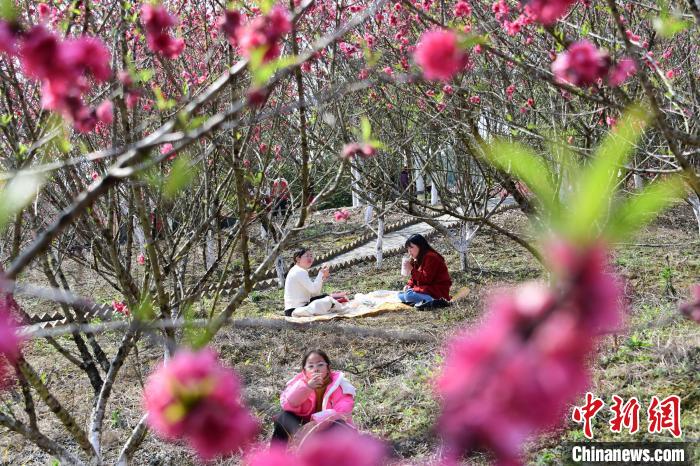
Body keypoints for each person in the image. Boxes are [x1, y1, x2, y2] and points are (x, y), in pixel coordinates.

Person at [272, 350, 355, 445]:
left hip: (327, 426)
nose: (316, 369)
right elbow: (288, 404)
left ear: (328, 368)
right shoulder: (298, 383)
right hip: (303, 427)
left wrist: (317, 421)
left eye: (320, 365)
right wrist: (307, 387)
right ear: (304, 371)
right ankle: (276, 455)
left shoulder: (339, 384)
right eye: (311, 366)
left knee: (338, 425)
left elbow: (343, 410)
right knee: (284, 417)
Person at [284, 248, 345, 317]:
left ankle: (335, 307)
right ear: (298, 259)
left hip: (301, 307)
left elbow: (315, 293)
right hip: (295, 310)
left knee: (325, 297)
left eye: (311, 256)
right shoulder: (299, 271)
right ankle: (339, 308)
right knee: (328, 300)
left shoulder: (299, 270)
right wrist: (321, 273)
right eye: (307, 256)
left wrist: (322, 277)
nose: (310, 258)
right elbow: (314, 291)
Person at [398, 234, 451, 309]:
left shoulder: (431, 257)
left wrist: (411, 269)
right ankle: (421, 301)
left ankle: (434, 300)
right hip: (426, 289)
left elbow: (426, 279)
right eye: (408, 249)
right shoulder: (418, 258)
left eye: (411, 248)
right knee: (400, 295)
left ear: (420, 246)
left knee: (408, 295)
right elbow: (414, 279)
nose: (409, 252)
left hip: (436, 291)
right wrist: (409, 285)